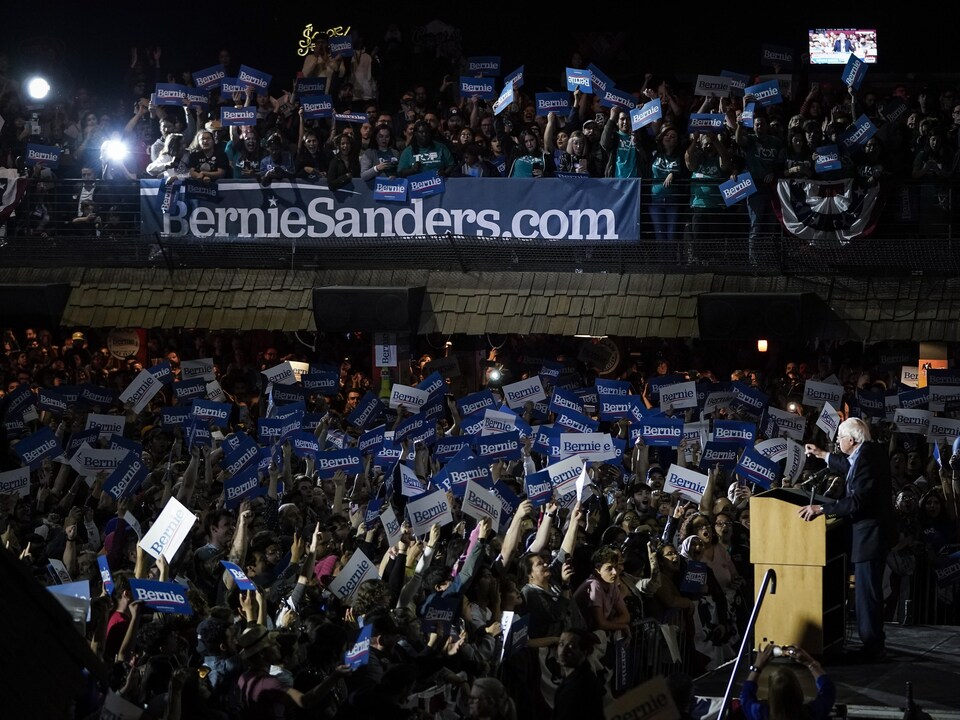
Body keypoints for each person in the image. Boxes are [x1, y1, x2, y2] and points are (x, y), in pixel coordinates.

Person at [799, 417, 896, 661]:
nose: (837, 442)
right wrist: (822, 454)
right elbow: (848, 465)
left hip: (870, 537)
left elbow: (857, 501)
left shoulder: (867, 459)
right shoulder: (868, 453)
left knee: (867, 595)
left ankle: (873, 647)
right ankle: (873, 643)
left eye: (839, 438)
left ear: (851, 440)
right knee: (867, 593)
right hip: (872, 535)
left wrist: (821, 509)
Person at [740, 642, 835, 720]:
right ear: (799, 692)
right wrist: (810, 663)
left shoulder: (760, 713)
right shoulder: (812, 713)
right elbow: (828, 689)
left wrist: (757, 666)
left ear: (770, 695)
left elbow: (746, 696)